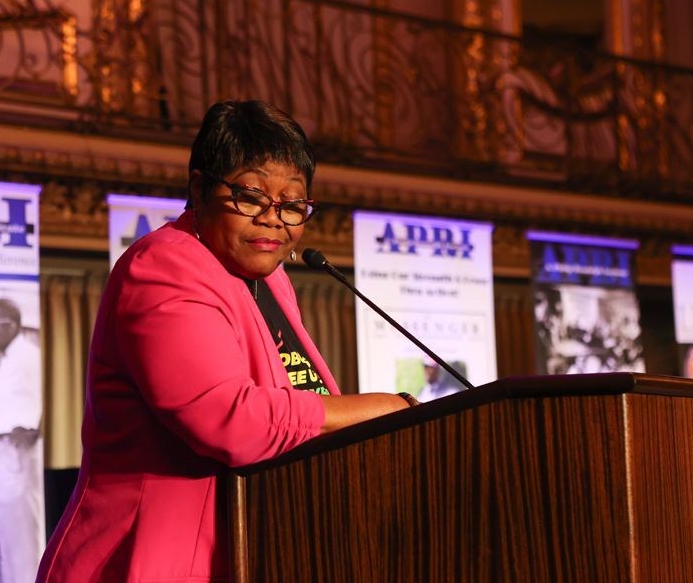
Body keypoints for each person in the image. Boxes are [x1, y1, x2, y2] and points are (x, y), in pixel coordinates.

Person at [37, 100, 416, 582]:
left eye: (293, 204)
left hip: (250, 547)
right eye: (252, 196)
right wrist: (384, 408)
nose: (273, 219)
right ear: (199, 188)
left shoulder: (269, 277)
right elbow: (230, 421)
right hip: (153, 559)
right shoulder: (162, 266)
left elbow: (297, 400)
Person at [0, 298, 44, 583]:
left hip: (15, 453)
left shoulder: (28, 356)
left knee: (22, 541)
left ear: (11, 325)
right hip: (0, 453)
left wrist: (35, 430)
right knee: (8, 537)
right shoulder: (7, 358)